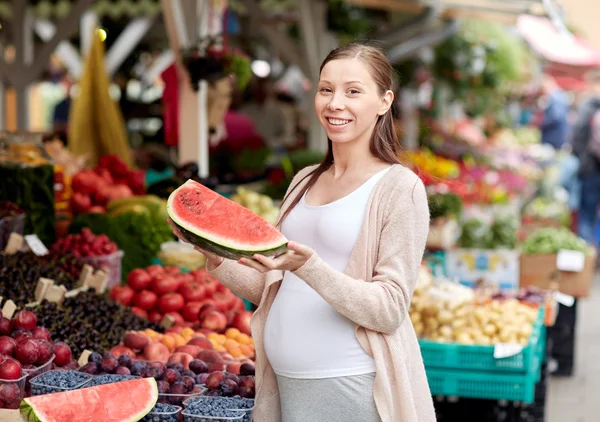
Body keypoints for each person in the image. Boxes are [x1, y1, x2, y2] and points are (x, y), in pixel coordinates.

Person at [170, 43, 436, 422]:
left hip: (348, 384)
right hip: (284, 383)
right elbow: (270, 286)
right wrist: (209, 250)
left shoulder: (399, 188)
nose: (335, 103)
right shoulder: (303, 181)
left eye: (353, 91)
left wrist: (310, 267)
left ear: (384, 101)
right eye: (326, 89)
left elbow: (389, 308)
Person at [572, 69, 600, 245]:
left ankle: (587, 257)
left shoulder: (589, 106)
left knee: (586, 214)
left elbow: (577, 136)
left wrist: (580, 158)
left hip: (591, 168)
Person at [537, 74, 569, 149]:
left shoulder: (555, 97)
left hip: (553, 135)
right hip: (557, 135)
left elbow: (556, 116)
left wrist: (542, 124)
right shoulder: (560, 95)